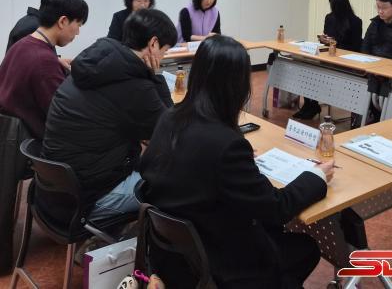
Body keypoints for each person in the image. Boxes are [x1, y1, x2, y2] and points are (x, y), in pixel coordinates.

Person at [140, 35, 332, 288]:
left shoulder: (170, 118)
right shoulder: (226, 145)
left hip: (173, 257)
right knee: (305, 247)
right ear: (235, 86)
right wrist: (317, 176)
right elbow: (276, 208)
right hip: (217, 264)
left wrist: (238, 165)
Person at [42, 9, 177, 220]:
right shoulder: (135, 85)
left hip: (54, 191)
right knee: (181, 185)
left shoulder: (95, 61)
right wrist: (156, 76)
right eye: (165, 51)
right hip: (89, 199)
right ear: (153, 44)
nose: (163, 57)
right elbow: (170, 134)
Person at [0, 0, 88, 138]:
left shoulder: (21, 45)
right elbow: (63, 119)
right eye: (78, 25)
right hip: (29, 145)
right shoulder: (44, 61)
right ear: (63, 21)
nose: (78, 32)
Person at [294, 0, 363, 120]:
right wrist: (324, 39)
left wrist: (334, 42)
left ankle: (312, 105)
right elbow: (326, 38)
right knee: (306, 68)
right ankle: (310, 104)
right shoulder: (329, 18)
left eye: (334, 5)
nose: (332, 8)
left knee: (315, 73)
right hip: (328, 58)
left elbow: (354, 47)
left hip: (344, 62)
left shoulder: (355, 22)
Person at [5, 0, 82, 71]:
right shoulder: (33, 28)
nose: (77, 32)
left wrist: (56, 60)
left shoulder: (33, 23)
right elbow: (27, 68)